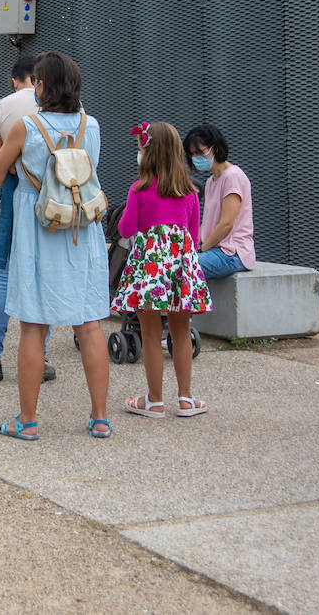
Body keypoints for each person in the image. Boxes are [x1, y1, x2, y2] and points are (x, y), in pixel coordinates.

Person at [0, 52, 111, 440]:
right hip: (81, 231)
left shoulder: (27, 126)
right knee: (89, 325)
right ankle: (100, 417)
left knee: (33, 327)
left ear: (42, 85)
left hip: (40, 230)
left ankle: (27, 421)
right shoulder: (92, 126)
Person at [0, 56, 55, 383]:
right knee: (44, 276)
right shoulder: (70, 108)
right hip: (57, 200)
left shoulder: (2, 108)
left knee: (2, 273)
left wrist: (13, 165)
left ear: (17, 79)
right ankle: (39, 359)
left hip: (17, 195)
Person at [113, 121, 212, 418]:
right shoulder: (190, 191)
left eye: (140, 148)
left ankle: (154, 401)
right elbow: (193, 236)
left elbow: (126, 228)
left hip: (150, 269)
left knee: (150, 333)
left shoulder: (139, 190)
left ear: (149, 152)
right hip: (180, 267)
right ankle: (185, 399)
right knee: (181, 333)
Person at [184, 124, 255, 280]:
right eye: (192, 154)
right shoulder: (211, 181)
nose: (196, 158)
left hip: (233, 253)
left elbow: (226, 224)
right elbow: (208, 222)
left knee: (183, 270)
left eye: (199, 152)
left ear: (214, 148)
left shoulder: (232, 176)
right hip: (215, 250)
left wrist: (202, 249)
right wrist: (193, 246)